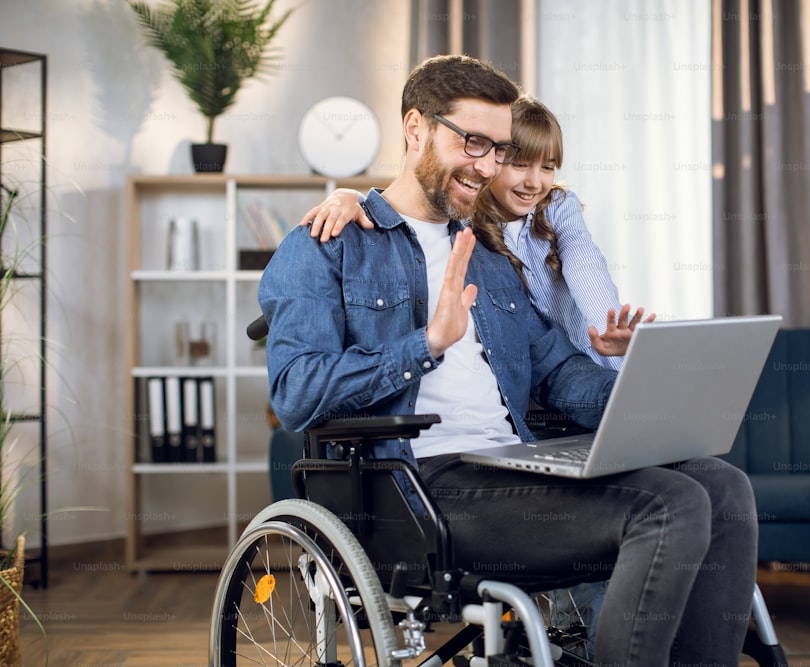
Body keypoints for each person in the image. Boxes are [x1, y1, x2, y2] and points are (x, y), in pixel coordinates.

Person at [260, 54, 758, 666]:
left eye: (498, 148)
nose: (489, 165)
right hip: (419, 488)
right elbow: (295, 393)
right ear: (415, 128)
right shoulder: (330, 245)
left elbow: (556, 371)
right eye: (473, 142)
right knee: (669, 504)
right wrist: (425, 345)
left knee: (722, 485)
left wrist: (647, 389)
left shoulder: (491, 255)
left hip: (515, 464)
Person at [300, 94, 652, 370]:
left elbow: (583, 259)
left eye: (547, 167)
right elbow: (408, 201)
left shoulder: (558, 205)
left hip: (592, 355)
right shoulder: (466, 220)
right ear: (493, 159)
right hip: (535, 379)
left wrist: (604, 319)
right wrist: (350, 196)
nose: (534, 181)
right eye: (518, 164)